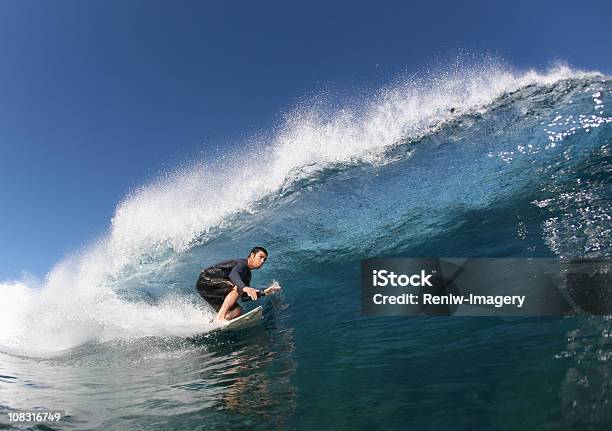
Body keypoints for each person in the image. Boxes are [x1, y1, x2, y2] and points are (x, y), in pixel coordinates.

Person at [196, 247, 280, 322]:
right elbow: (233, 275)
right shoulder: (241, 263)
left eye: (264, 260)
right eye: (260, 257)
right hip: (206, 280)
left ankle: (219, 321)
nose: (262, 261)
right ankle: (220, 318)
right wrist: (244, 287)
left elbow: (244, 297)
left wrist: (265, 292)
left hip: (211, 290)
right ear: (252, 255)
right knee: (237, 288)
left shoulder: (248, 275)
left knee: (237, 310)